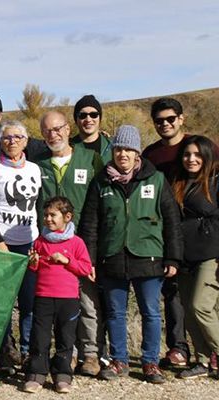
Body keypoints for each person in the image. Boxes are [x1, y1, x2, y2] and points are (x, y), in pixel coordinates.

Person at [79, 125, 183, 384]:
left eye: (128, 149)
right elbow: (90, 224)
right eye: (118, 149)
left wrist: (172, 258)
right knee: (115, 313)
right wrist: (90, 259)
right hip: (112, 256)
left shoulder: (156, 179)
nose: (122, 154)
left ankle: (150, 362)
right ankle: (119, 360)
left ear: (137, 152)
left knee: (150, 312)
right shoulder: (101, 181)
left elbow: (171, 221)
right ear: (112, 151)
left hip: (148, 256)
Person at [35, 111, 105, 377]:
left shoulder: (90, 159)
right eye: (48, 131)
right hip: (48, 244)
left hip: (82, 242)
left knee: (87, 301)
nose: (54, 134)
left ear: (68, 129)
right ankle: (68, 355)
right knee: (57, 303)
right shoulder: (38, 164)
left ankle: (91, 354)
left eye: (58, 128)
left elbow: (101, 199)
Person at [141, 97, 204, 368]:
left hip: (201, 230)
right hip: (164, 229)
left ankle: (207, 350)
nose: (165, 124)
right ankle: (179, 348)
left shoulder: (199, 146)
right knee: (173, 290)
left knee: (202, 297)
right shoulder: (151, 155)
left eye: (170, 119)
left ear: (181, 119)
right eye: (159, 120)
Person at [0, 120, 42, 374]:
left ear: (26, 141)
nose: (12, 141)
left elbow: (38, 205)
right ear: (0, 142)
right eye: (6, 138)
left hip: (28, 241)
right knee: (1, 301)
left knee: (29, 301)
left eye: (17, 137)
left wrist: (39, 241)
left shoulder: (35, 170)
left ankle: (27, 351)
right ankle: (3, 352)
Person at [22, 196, 94, 394]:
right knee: (40, 338)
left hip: (68, 299)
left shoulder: (76, 243)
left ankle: (62, 375)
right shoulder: (39, 241)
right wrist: (33, 262)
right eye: (45, 215)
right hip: (43, 297)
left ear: (67, 217)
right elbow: (34, 268)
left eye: (53, 215)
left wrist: (66, 260)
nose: (48, 219)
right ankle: (37, 374)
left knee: (66, 338)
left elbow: (86, 267)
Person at [170, 135, 219, 379]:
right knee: (188, 309)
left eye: (198, 155)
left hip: (211, 255)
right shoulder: (178, 182)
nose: (191, 159)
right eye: (187, 154)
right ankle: (203, 360)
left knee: (201, 305)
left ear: (207, 157)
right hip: (184, 255)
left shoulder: (216, 182)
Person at [70, 95, 112, 164]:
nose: (88, 119)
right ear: (76, 119)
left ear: (100, 118)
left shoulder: (112, 148)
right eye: (82, 115)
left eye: (93, 115)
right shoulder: (68, 149)